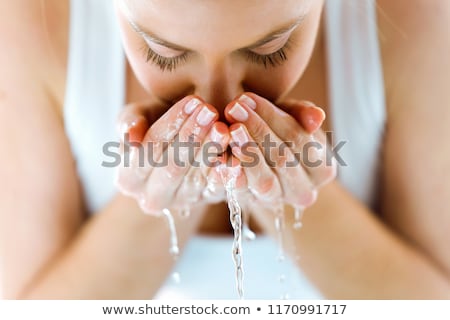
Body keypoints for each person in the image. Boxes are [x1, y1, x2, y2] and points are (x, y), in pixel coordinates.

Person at [1, 0, 449, 299]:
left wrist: (289, 195)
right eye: (163, 53)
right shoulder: (33, 23)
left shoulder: (418, 19)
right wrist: (159, 204)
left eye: (271, 50)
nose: (219, 105)